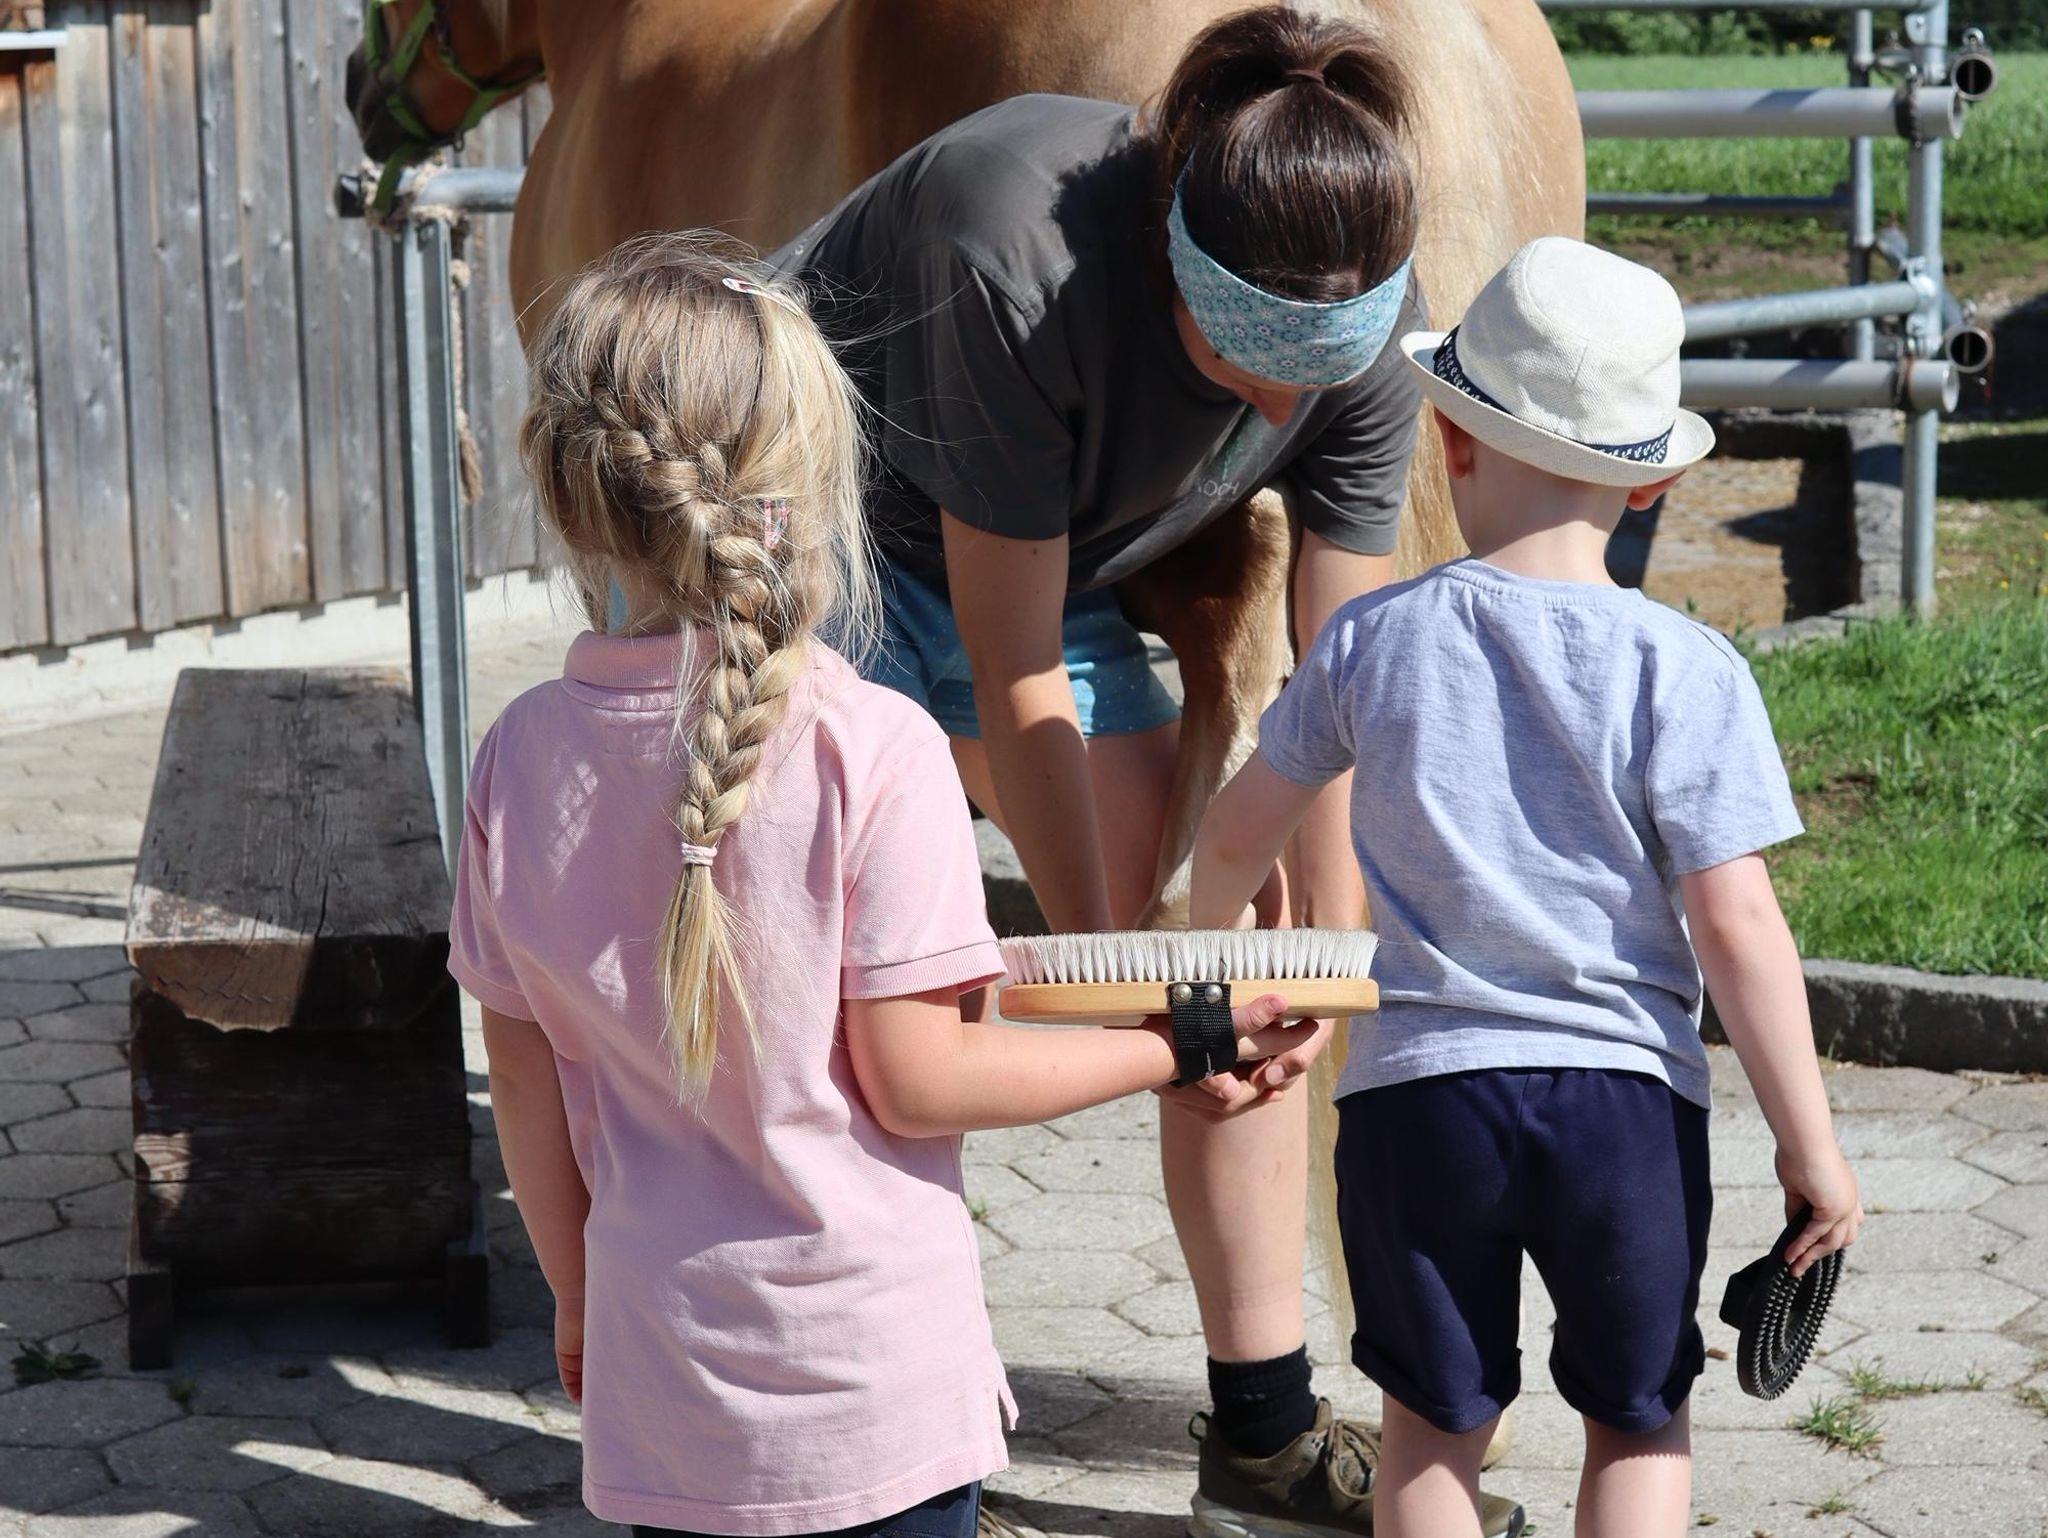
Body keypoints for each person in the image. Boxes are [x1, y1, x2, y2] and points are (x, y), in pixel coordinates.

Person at [773, 13, 1524, 1527]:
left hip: (1045, 560)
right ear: (1178, 263)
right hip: (804, 530)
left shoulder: (1366, 320)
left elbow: (1340, 681)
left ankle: (1262, 1444)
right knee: (833, 990)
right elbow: (1014, 673)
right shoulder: (1013, 259)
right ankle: (814, 1437)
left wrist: (1315, 968)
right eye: (1247, 368)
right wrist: (1125, 985)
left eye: (1308, 382)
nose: (1274, 414)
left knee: (1235, 978)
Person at [448, 233, 1315, 1538]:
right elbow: (918, 1076)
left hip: (661, 1399)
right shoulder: (874, 747)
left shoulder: (516, 758)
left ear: (572, 490)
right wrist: (1177, 1040)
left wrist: (577, 1296)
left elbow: (521, 1076)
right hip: (877, 1404)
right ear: (809, 480)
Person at [1186, 237, 1865, 1538]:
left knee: (1430, 1426)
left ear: (1450, 442)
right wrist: (1809, 1145)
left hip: (1417, 1100)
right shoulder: (1689, 669)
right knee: (1639, 1416)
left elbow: (1230, 838)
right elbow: (1737, 923)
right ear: (1656, 479)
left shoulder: (1370, 640)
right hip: (1624, 1103)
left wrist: (1209, 989)